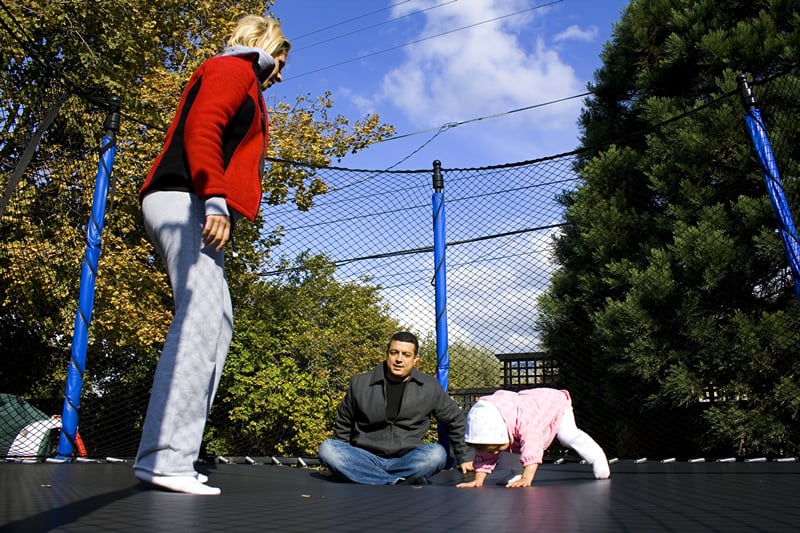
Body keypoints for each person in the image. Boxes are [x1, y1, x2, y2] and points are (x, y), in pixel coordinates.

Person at [133, 14, 290, 495]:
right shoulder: (234, 68)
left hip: (194, 199)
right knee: (201, 314)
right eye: (281, 61)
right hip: (186, 198)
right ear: (265, 46)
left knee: (218, 320)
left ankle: (175, 454)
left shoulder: (245, 79)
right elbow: (203, 129)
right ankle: (165, 459)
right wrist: (215, 198)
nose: (281, 74)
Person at [317, 331, 474, 485]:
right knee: (328, 449)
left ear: (415, 359)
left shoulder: (429, 387)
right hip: (364, 457)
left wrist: (465, 457)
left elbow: (455, 420)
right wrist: (336, 465)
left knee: (436, 455)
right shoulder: (360, 383)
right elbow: (344, 422)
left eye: (406, 355)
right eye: (394, 353)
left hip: (407, 459)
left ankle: (368, 477)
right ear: (387, 355)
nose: (399, 359)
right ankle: (395, 481)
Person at [456, 388, 610, 488]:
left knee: (566, 435)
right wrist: (478, 480)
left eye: (496, 448)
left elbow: (532, 447)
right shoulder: (490, 419)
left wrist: (526, 477)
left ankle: (597, 456)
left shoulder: (525, 420)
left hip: (554, 403)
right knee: (511, 445)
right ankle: (516, 471)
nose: (495, 453)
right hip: (526, 408)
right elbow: (485, 450)